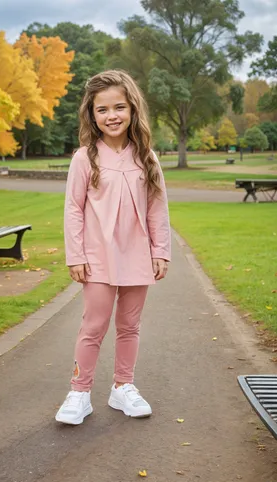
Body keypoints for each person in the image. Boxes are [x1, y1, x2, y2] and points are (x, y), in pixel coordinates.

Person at [55, 69, 171, 425]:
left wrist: (160, 250)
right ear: (92, 114)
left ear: (133, 109)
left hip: (137, 254)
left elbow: (157, 207)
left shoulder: (147, 157)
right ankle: (79, 392)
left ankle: (123, 387)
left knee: (130, 325)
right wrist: (75, 254)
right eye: (102, 109)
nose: (112, 116)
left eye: (119, 107)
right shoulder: (84, 158)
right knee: (94, 325)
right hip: (97, 257)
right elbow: (74, 209)